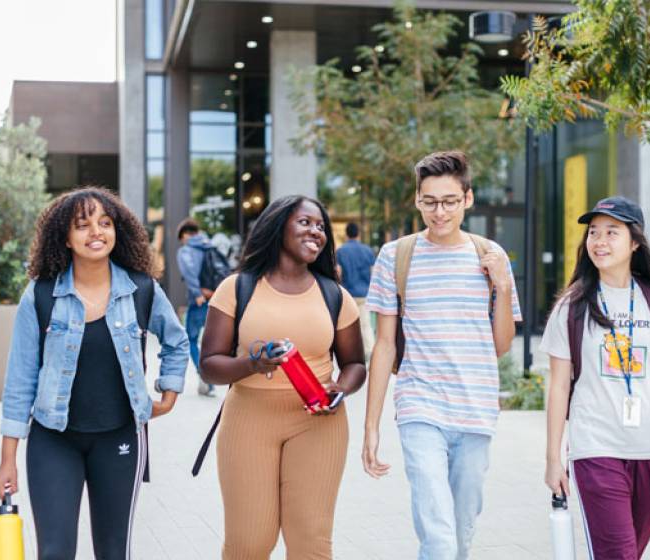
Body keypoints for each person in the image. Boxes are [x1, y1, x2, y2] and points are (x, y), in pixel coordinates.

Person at [0, 186, 190, 560]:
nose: (96, 232)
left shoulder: (142, 290)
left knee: (114, 552)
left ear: (118, 231)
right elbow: (19, 380)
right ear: (64, 238)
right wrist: (7, 458)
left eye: (104, 223)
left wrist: (169, 392)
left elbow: (178, 342)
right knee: (54, 552)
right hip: (53, 440)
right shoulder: (41, 295)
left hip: (119, 439)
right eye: (82, 225)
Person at [363, 151, 523, 559]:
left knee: (461, 534)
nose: (439, 212)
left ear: (467, 199)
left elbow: (501, 345)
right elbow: (383, 345)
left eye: (450, 201)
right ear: (417, 200)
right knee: (438, 536)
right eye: (430, 201)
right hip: (420, 406)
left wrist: (502, 287)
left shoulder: (491, 255)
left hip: (476, 410)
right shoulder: (396, 256)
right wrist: (372, 426)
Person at [199, 195, 366, 559]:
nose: (316, 231)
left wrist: (342, 388)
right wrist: (252, 365)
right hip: (249, 419)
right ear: (278, 226)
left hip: (318, 423)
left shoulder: (334, 295)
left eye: (321, 226)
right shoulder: (237, 288)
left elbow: (355, 363)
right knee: (250, 543)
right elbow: (209, 364)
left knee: (310, 542)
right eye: (305, 222)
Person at [540, 196, 650, 559]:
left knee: (629, 552)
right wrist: (554, 457)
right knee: (618, 554)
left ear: (634, 243)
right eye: (594, 232)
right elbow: (558, 386)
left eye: (612, 232)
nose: (599, 241)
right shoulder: (573, 306)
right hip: (596, 447)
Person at [177, 218, 217, 397]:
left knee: (191, 340)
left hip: (199, 301)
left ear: (184, 235)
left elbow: (189, 273)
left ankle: (206, 378)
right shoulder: (210, 245)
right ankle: (210, 379)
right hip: (217, 298)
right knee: (210, 342)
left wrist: (197, 294)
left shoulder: (186, 250)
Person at [336, 222, 377, 356]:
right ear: (358, 234)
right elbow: (373, 272)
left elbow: (338, 272)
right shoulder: (367, 250)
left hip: (348, 294)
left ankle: (350, 353)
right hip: (364, 293)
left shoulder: (341, 251)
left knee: (348, 326)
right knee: (365, 324)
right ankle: (369, 351)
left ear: (346, 234)